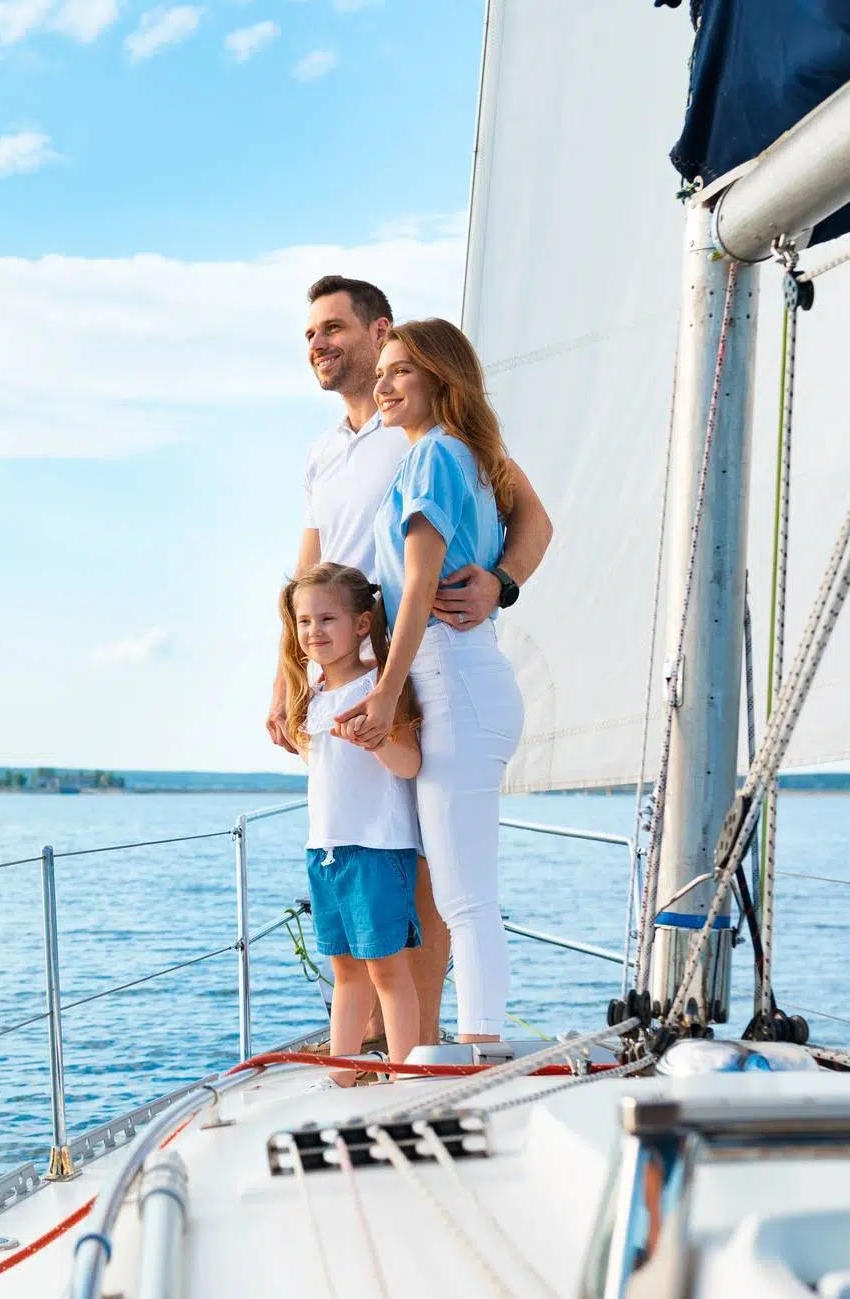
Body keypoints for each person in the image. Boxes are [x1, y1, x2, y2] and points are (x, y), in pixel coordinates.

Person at [269, 275, 552, 1047]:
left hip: (414, 668)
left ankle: (420, 1046)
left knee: (428, 870)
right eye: (308, 335)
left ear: (378, 331)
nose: (317, 345)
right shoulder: (323, 454)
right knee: (364, 849)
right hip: (342, 673)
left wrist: (501, 582)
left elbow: (531, 516)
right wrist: (284, 675)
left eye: (331, 328)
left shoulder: (430, 436)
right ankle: (378, 1049)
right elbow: (306, 571)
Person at [340, 318, 528, 1044]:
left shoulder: (434, 458)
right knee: (459, 890)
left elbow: (415, 584)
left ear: (440, 381)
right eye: (380, 372)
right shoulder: (465, 459)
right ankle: (471, 1039)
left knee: (463, 895)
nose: (382, 385)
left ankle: (480, 1046)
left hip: (450, 679)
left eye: (400, 372)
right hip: (462, 677)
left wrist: (384, 693)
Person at [277, 561, 424, 1081]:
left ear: (362, 624)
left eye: (327, 619)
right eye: (304, 622)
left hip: (377, 849)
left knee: (387, 968)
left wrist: (378, 738)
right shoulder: (311, 697)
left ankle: (406, 1074)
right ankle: (344, 1071)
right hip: (326, 851)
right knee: (343, 968)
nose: (314, 631)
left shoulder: (379, 687)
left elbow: (409, 764)